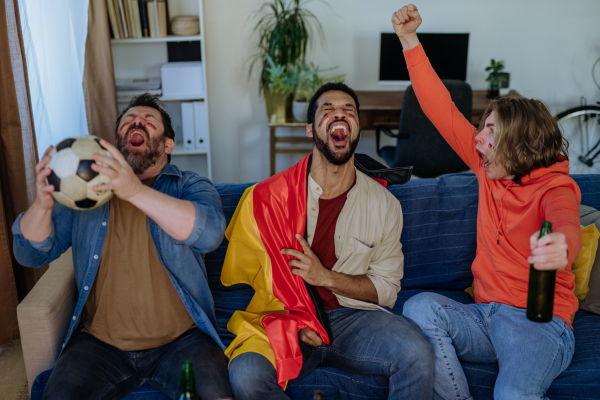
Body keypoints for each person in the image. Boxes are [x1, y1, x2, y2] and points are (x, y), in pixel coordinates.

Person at [392, 5, 582, 400]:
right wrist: (410, 40)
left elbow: (565, 224)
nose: (478, 139)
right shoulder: (486, 166)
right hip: (483, 316)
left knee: (512, 393)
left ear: (518, 142)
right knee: (420, 307)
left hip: (540, 324)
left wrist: (561, 247)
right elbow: (441, 108)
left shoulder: (555, 189)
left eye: (490, 131)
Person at [12, 94, 232, 400]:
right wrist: (42, 203)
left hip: (183, 341)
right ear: (116, 143)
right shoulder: (84, 193)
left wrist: (133, 191)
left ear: (168, 145)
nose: (137, 121)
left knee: (217, 395)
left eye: (148, 120)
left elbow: (209, 234)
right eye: (128, 120)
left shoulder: (189, 185)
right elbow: (29, 254)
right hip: (99, 345)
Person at [222, 82, 434, 400]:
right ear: (310, 129)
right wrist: (299, 319)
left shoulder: (384, 204)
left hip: (354, 316)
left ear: (357, 128)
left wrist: (324, 278)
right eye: (328, 109)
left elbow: (387, 290)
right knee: (246, 374)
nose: (340, 113)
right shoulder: (268, 198)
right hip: (288, 316)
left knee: (417, 353)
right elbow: (261, 279)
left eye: (349, 110)